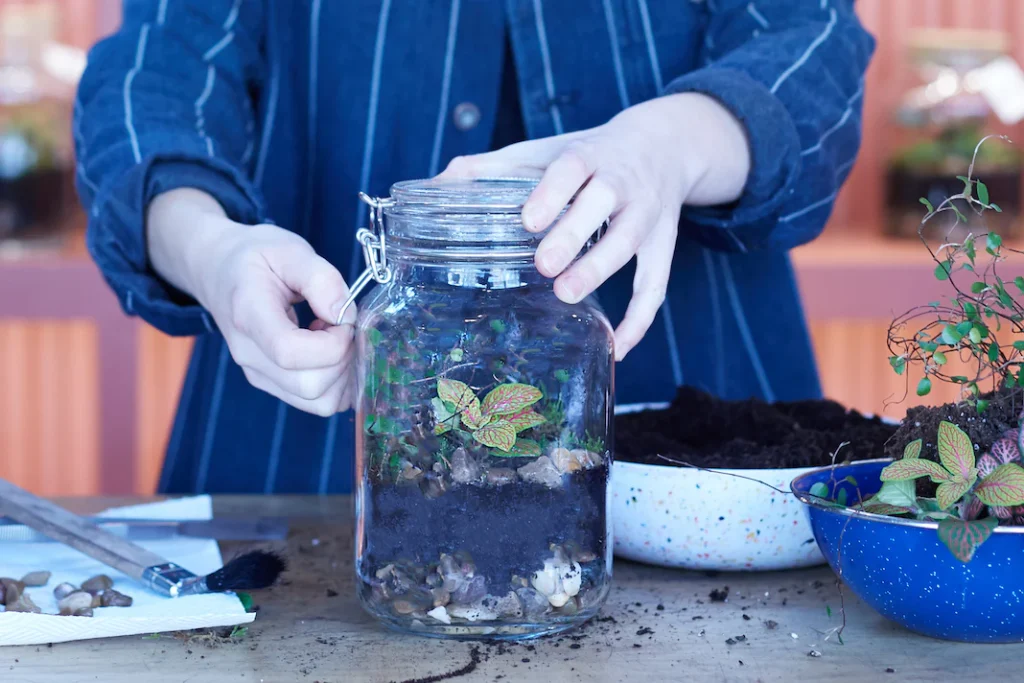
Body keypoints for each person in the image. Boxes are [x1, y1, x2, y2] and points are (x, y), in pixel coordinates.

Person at [74, 1, 874, 494]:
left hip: (699, 455)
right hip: (302, 453)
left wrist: (670, 142)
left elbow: (813, 42)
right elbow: (154, 79)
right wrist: (213, 250)